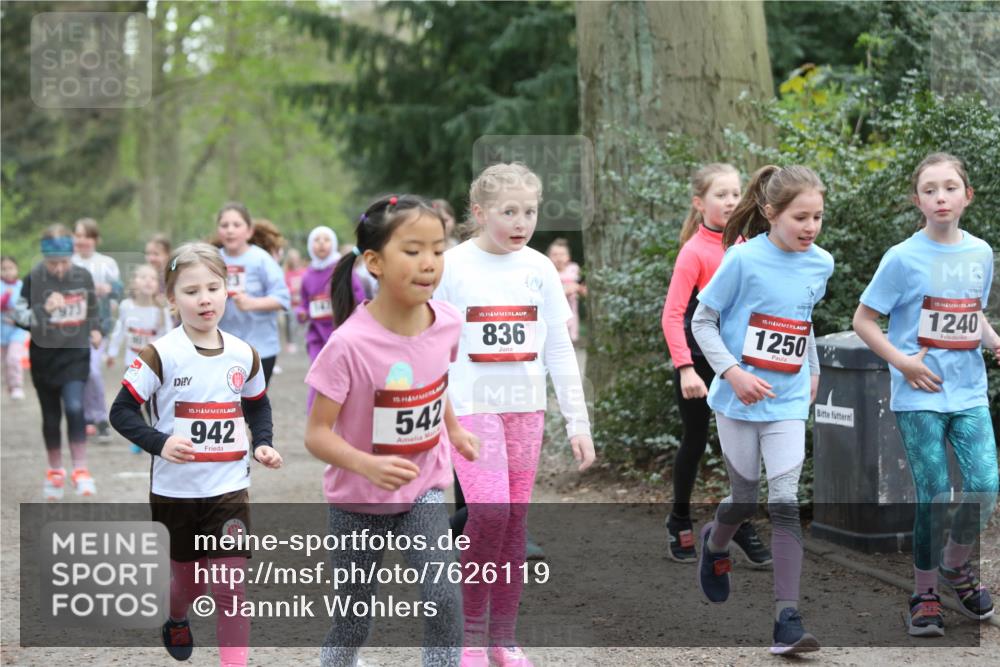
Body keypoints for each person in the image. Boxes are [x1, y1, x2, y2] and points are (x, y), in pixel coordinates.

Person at [304, 194, 479, 667]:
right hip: (356, 501)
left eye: (438, 251)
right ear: (374, 262)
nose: (429, 264)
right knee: (354, 619)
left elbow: (434, 383)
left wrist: (455, 430)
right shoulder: (347, 345)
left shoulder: (446, 323)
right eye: (413, 250)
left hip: (421, 488)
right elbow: (316, 434)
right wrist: (367, 465)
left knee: (444, 597)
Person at [434, 163, 595, 667]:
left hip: (526, 410)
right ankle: (470, 639)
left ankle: (503, 639)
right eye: (509, 211)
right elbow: (429, 346)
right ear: (480, 213)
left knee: (513, 524)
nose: (521, 221)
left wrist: (578, 421)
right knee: (488, 512)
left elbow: (560, 351)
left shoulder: (540, 268)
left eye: (530, 211)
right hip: (471, 409)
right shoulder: (452, 266)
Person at [109, 242, 282, 667]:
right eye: (190, 291)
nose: (204, 298)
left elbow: (257, 403)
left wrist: (262, 442)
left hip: (229, 489)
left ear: (227, 291)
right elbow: (121, 412)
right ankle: (176, 615)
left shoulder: (244, 352)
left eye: (213, 287)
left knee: (229, 588)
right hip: (177, 492)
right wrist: (160, 442)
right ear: (172, 299)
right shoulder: (160, 354)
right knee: (190, 584)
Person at [853, 152, 998, 636]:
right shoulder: (901, 257)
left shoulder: (981, 252)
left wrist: (995, 341)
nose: (941, 196)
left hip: (969, 390)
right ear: (918, 200)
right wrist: (903, 361)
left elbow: (970, 312)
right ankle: (924, 591)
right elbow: (864, 320)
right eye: (931, 189)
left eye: (950, 187)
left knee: (986, 485)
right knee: (935, 494)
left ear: (967, 196)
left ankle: (956, 566)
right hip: (919, 393)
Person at [692, 165, 833, 655]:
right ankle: (714, 544)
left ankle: (787, 619)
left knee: (785, 502)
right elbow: (703, 321)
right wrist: (732, 372)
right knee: (745, 496)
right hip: (736, 398)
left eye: (817, 217)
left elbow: (802, 316)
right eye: (801, 217)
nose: (811, 227)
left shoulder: (821, 263)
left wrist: (812, 366)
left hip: (789, 400)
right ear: (772, 212)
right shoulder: (742, 261)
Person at [659, 164, 771, 567]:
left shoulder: (747, 244)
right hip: (698, 365)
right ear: (699, 202)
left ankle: (738, 520)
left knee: (743, 442)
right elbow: (673, 315)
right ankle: (679, 520)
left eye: (735, 193)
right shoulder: (694, 251)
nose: (729, 201)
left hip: (738, 363)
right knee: (696, 439)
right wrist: (685, 368)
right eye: (720, 194)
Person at [14, 225, 102, 499]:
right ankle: (55, 470)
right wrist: (44, 310)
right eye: (54, 263)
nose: (60, 268)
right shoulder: (34, 279)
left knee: (75, 407)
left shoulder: (82, 276)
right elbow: (19, 317)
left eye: (65, 261)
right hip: (44, 359)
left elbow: (93, 309)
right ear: (44, 258)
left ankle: (80, 469)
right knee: (51, 418)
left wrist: (98, 328)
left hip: (75, 355)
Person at [214, 203, 291, 385]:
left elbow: (282, 298)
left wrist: (251, 303)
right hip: (221, 347)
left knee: (253, 406)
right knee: (225, 405)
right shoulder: (212, 259)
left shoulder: (261, 259)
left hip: (260, 349)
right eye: (224, 225)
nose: (230, 230)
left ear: (249, 231)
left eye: (236, 225)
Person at [105, 264, 172, 453]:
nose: (148, 281)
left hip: (155, 365)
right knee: (133, 401)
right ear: (133, 283)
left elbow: (169, 335)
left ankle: (157, 434)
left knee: (154, 402)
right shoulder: (126, 306)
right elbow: (119, 331)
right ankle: (140, 435)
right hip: (132, 362)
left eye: (152, 278)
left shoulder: (161, 309)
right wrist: (111, 353)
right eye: (143, 277)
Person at [297, 226, 365, 410]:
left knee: (342, 374)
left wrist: (349, 310)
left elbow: (359, 295)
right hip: (317, 336)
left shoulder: (342, 269)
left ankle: (345, 411)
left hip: (341, 332)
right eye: (316, 240)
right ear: (311, 246)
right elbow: (303, 302)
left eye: (326, 239)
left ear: (333, 244)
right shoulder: (307, 275)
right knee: (319, 375)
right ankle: (315, 415)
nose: (321, 244)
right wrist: (302, 313)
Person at [72, 217, 122, 443]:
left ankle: (101, 418)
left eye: (86, 236)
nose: (82, 240)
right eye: (78, 235)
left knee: (92, 370)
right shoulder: (68, 262)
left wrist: (108, 288)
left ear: (95, 239)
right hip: (71, 327)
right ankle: (85, 417)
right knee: (77, 373)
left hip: (97, 326)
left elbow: (118, 291)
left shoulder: (106, 263)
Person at [546, 238, 585, 344]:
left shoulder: (574, 269)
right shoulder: (546, 272)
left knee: (570, 342)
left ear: (568, 256)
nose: (559, 258)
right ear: (548, 257)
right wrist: (567, 290)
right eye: (555, 254)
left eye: (562, 254)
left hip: (571, 314)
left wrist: (579, 288)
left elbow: (581, 288)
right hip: (552, 316)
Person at [1, 256, 28, 400]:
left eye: (10, 268)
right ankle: (10, 386)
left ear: (16, 269)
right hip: (1, 332)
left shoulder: (21, 286)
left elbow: (24, 306)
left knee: (13, 358)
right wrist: (5, 297)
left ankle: (17, 385)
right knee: (5, 362)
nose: (7, 272)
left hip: (17, 331)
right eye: (3, 269)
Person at [283, 247, 307, 354]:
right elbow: (283, 287)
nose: (294, 260)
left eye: (296, 258)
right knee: (290, 323)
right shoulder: (286, 273)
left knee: (303, 324)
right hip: (291, 303)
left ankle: (304, 341)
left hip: (302, 303)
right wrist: (293, 290)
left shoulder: (304, 271)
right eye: (292, 258)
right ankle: (291, 342)